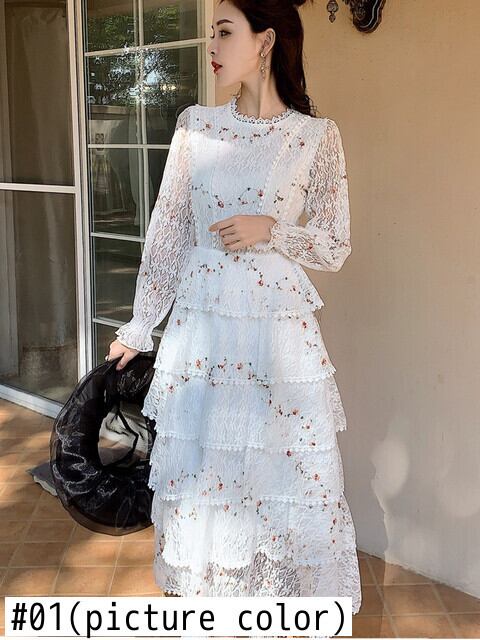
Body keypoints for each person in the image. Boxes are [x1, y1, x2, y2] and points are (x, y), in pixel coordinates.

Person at [107, 0, 361, 613]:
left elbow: (334, 244)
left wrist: (271, 229)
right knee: (205, 472)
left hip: (276, 336)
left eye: (224, 31)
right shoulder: (196, 125)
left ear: (265, 40)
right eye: (212, 32)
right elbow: (167, 234)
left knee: (283, 472)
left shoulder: (315, 137)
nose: (212, 45)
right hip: (203, 332)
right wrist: (140, 327)